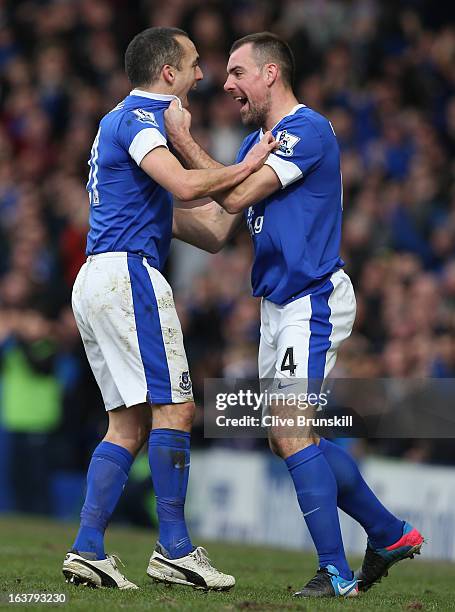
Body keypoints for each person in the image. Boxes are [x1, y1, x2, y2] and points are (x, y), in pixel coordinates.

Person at [168, 32, 424, 598]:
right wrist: (147, 211)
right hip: (277, 304)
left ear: (270, 75)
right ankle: (388, 533)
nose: (227, 83)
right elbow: (214, 230)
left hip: (311, 297)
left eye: (237, 72)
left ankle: (335, 575)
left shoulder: (305, 130)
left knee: (289, 426)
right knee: (286, 436)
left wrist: (184, 143)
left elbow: (233, 199)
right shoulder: (255, 147)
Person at [62, 26, 276, 591]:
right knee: (177, 409)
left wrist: (252, 187)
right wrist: (248, 163)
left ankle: (87, 549)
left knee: (127, 425)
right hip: (127, 276)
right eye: (195, 63)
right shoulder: (137, 119)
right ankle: (176, 549)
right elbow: (184, 187)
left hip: (101, 275)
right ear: (168, 74)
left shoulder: (126, 132)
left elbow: (208, 230)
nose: (203, 74)